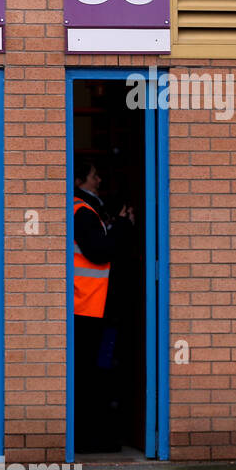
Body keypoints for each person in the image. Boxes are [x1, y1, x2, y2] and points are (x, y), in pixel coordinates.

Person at [72, 159, 133, 453]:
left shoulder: (89, 210)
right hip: (88, 305)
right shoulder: (82, 212)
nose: (99, 180)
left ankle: (92, 436)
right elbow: (99, 252)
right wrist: (121, 225)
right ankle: (90, 439)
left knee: (93, 372)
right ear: (79, 180)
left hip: (91, 304)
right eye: (95, 175)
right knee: (91, 375)